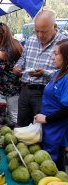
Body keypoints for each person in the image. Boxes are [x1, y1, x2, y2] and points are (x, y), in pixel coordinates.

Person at [13, 9, 68, 127]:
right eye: (37, 31)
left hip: (45, 93)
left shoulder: (63, 43)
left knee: (43, 129)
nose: (39, 35)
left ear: (53, 26)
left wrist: (45, 73)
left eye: (44, 31)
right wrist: (18, 66)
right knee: (22, 127)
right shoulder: (32, 39)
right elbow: (23, 58)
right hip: (25, 90)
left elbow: (65, 71)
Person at [34, 39, 68, 171]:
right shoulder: (57, 74)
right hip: (48, 130)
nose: (52, 57)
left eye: (56, 54)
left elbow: (67, 109)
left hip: (57, 131)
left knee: (55, 169)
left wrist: (47, 119)